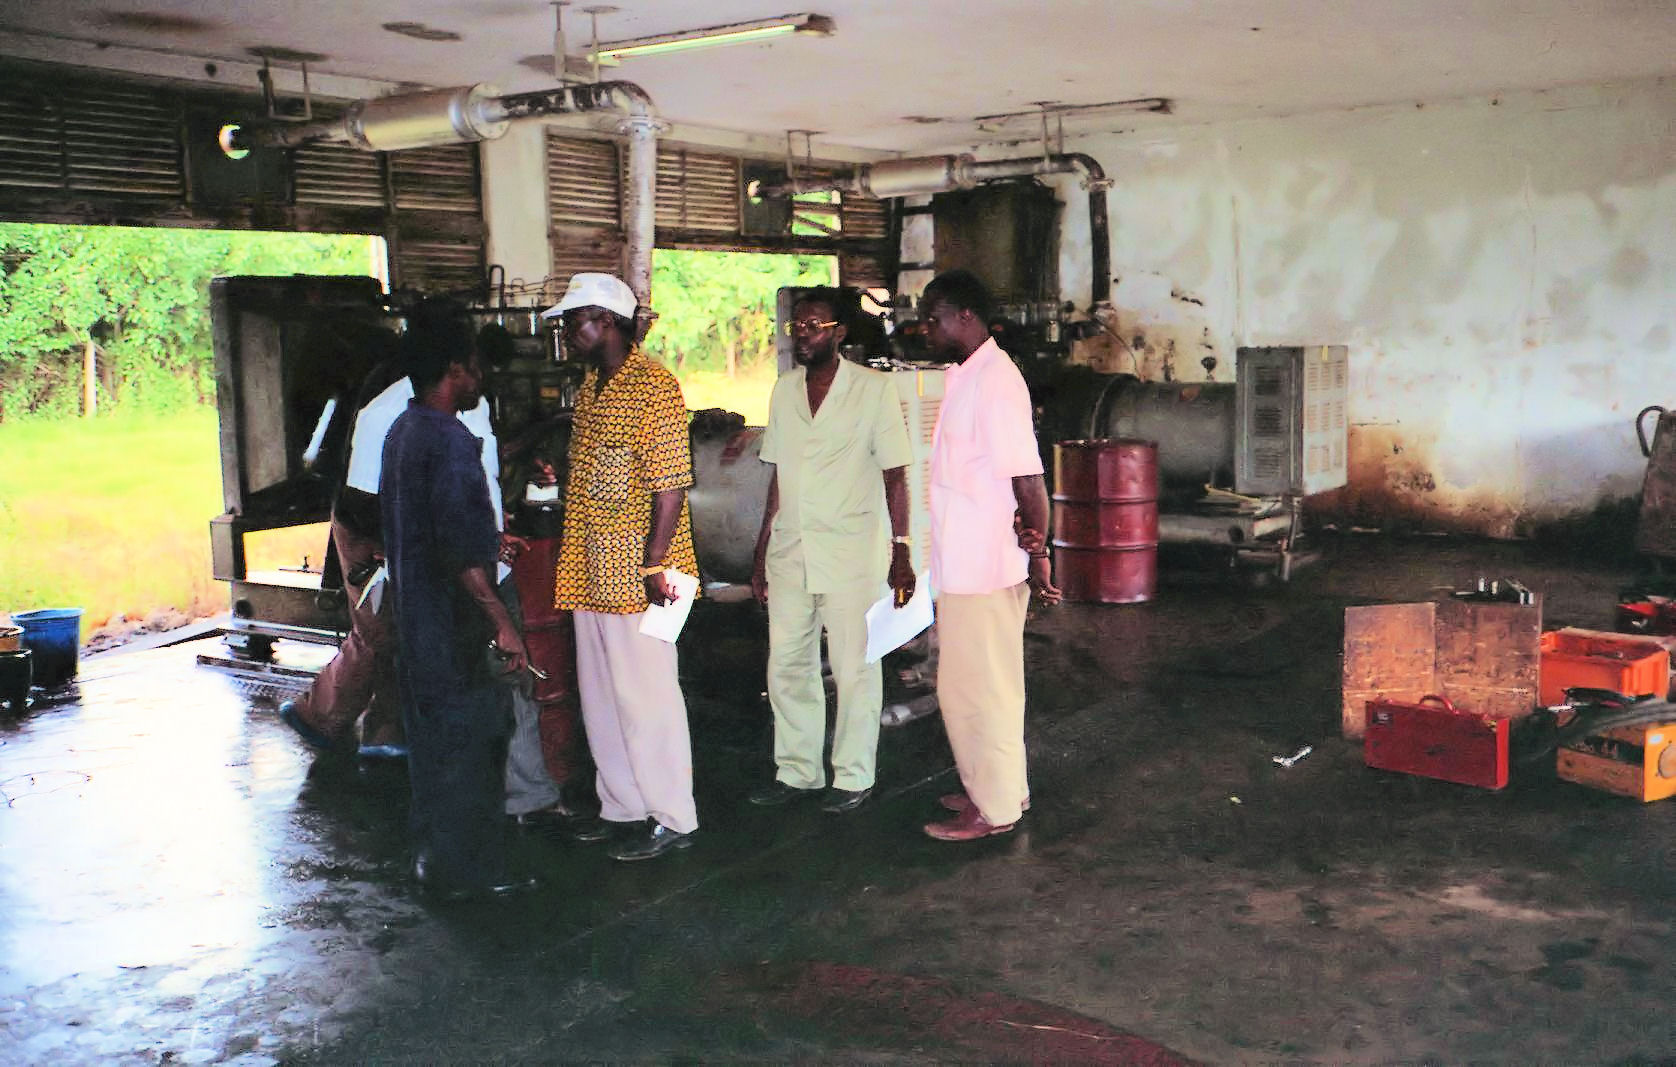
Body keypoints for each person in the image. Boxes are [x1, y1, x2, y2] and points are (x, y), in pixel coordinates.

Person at [380, 298, 531, 899]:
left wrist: (489, 539)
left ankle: (435, 861)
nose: (480, 378)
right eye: (474, 367)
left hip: (416, 621)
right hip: (453, 626)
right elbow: (460, 556)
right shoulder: (451, 440)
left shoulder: (405, 429)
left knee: (433, 746)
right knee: (473, 744)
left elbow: (426, 524)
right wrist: (501, 622)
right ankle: (472, 873)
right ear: (454, 370)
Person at [547, 272, 701, 862]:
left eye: (574, 322)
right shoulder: (593, 386)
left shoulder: (653, 385)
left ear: (606, 321)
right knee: (604, 697)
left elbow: (671, 487)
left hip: (645, 575)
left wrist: (655, 565)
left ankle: (673, 816)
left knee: (649, 699)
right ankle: (623, 807)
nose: (568, 333)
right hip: (589, 569)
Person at [748, 288, 915, 814]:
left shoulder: (873, 389)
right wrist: (761, 551)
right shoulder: (784, 391)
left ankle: (853, 775)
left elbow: (895, 474)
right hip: (791, 550)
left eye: (814, 326)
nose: (802, 335)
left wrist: (902, 550)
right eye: (796, 326)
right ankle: (797, 771)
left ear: (839, 333)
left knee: (854, 667)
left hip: (851, 552)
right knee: (787, 665)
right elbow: (779, 476)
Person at [918, 270, 1061, 842]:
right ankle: (1002, 788)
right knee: (986, 685)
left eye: (933, 319)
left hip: (983, 566)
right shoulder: (966, 375)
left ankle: (995, 808)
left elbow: (1028, 479)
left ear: (966, 317)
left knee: (975, 692)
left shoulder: (996, 381)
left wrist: (1039, 551)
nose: (925, 329)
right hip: (965, 561)